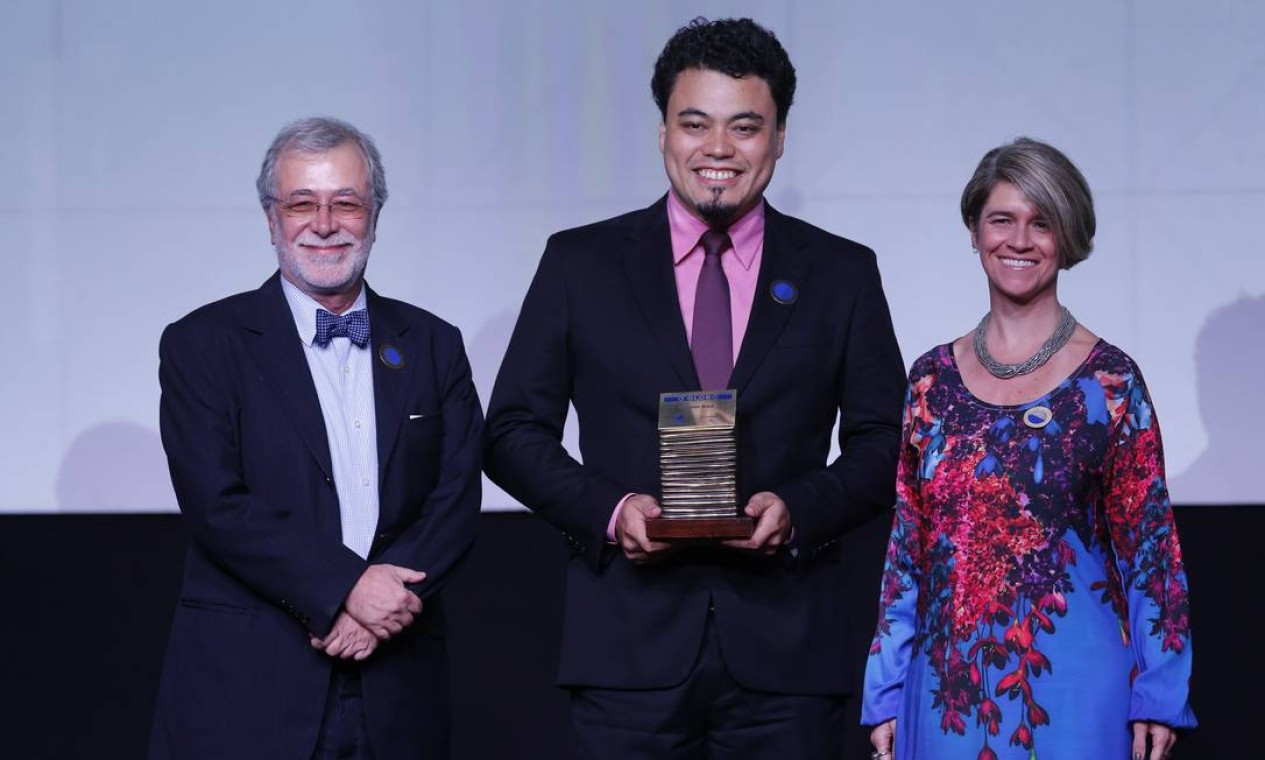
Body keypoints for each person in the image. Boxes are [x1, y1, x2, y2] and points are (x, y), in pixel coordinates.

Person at [484, 17, 905, 760]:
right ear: (661, 134)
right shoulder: (580, 264)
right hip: (626, 651)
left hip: (788, 654)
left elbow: (886, 441)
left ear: (778, 139)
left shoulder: (840, 273)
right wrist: (610, 510)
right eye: (694, 123)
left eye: (745, 127)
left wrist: (800, 508)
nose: (717, 149)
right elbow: (512, 429)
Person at [150, 117, 482, 760]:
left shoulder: (434, 343)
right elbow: (217, 502)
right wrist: (346, 590)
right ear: (271, 219)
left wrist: (387, 603)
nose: (324, 223)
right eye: (301, 203)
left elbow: (456, 496)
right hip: (248, 688)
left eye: (346, 203)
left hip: (398, 684)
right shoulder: (202, 343)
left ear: (375, 215)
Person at [862, 138, 1195, 760]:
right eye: (1002, 220)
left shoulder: (1110, 382)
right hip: (945, 692)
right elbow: (909, 547)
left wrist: (1160, 692)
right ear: (973, 229)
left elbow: (1151, 550)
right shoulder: (930, 380)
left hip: (1081, 688)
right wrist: (884, 690)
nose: (1020, 240)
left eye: (1042, 222)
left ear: (1068, 237)